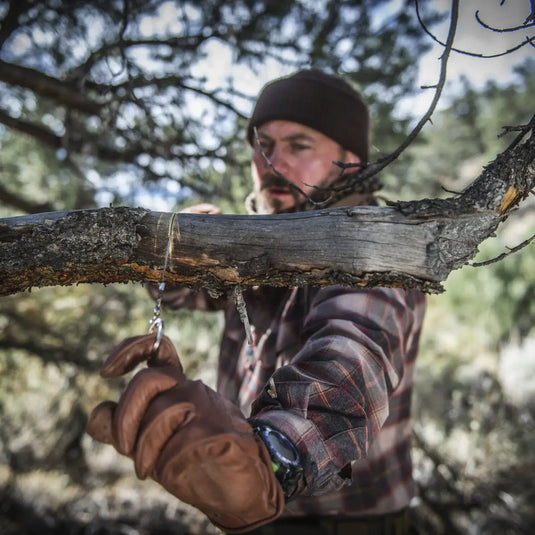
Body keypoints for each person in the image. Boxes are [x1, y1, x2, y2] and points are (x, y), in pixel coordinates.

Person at [86, 69, 426, 535]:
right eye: (263, 144)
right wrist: (179, 246)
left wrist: (274, 458)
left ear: (350, 159)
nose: (273, 162)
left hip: (346, 520)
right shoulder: (264, 238)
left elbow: (352, 357)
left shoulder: (374, 242)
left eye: (298, 145)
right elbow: (191, 290)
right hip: (251, 507)